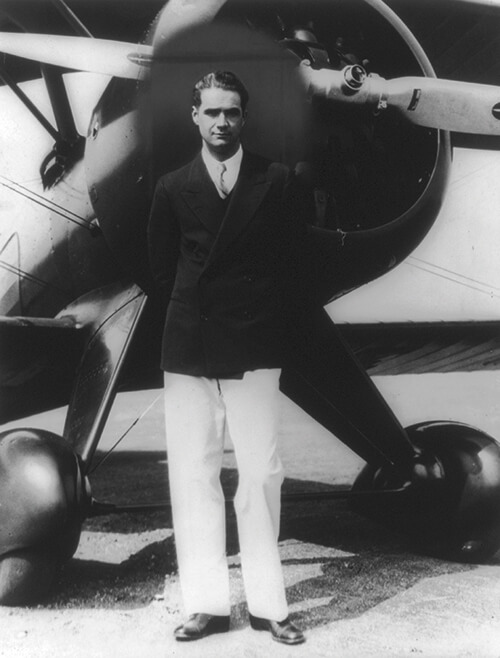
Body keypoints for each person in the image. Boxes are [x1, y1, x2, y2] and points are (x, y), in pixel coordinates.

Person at [147, 70, 310, 645]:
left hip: (256, 346)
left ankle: (270, 606)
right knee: (194, 475)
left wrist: (263, 323)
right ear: (195, 116)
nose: (222, 122)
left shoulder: (279, 181)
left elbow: (295, 270)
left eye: (232, 112)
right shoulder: (172, 187)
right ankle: (207, 604)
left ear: (245, 117)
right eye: (212, 112)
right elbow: (160, 273)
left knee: (262, 474)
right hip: (190, 343)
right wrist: (195, 316)